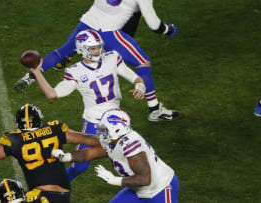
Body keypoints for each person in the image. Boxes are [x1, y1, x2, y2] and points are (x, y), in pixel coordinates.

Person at [14, 0, 179, 123]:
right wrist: (168, 30)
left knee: (64, 51)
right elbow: (154, 24)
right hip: (108, 31)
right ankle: (155, 110)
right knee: (143, 62)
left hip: (87, 22)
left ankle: (28, 78)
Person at [28, 29, 146, 182]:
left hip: (116, 121)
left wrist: (140, 88)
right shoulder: (75, 71)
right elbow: (52, 94)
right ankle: (56, 187)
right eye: (93, 48)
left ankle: (145, 190)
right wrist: (37, 73)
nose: (98, 51)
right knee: (80, 166)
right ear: (82, 50)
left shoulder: (112, 58)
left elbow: (136, 79)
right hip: (95, 122)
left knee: (130, 159)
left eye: (98, 47)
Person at [52, 108, 179, 203]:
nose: (101, 131)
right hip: (138, 190)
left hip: (161, 188)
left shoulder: (131, 144)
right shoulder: (111, 140)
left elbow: (145, 179)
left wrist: (114, 180)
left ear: (118, 130)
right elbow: (91, 153)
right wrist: (67, 156)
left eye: (105, 129)